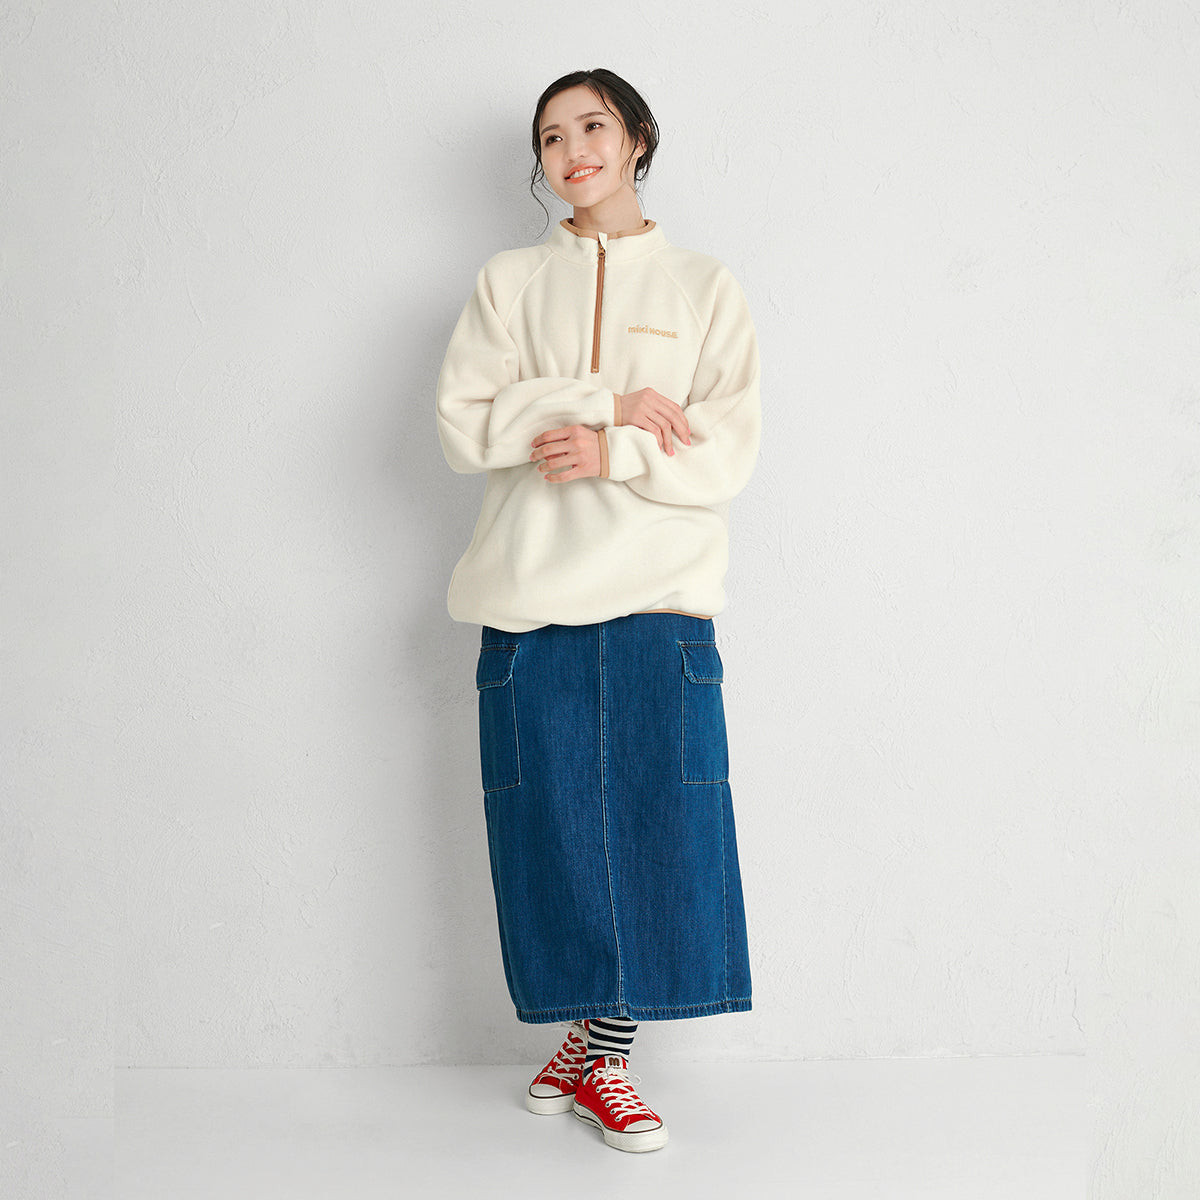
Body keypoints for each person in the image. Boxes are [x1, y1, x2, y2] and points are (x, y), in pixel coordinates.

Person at [435, 67, 760, 1154]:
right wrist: (605, 399)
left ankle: (605, 1058)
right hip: (529, 600)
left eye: (593, 126)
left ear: (637, 139)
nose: (572, 150)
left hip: (660, 599)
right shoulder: (509, 282)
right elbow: (464, 426)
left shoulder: (704, 287)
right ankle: (587, 1046)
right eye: (551, 136)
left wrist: (612, 451)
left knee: (661, 831)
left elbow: (726, 451)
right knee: (553, 832)